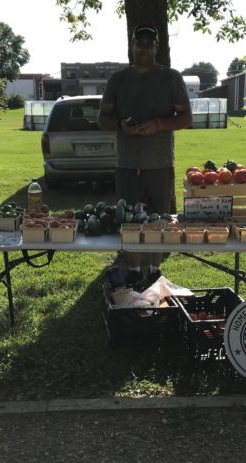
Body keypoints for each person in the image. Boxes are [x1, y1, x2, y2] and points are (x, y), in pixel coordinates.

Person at [98, 25, 192, 287]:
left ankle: (154, 271)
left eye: (149, 44)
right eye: (139, 43)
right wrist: (120, 126)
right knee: (129, 222)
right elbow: (102, 119)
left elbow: (186, 117)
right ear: (132, 46)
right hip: (127, 163)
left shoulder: (171, 78)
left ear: (157, 47)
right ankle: (134, 269)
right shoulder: (117, 80)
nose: (144, 48)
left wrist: (160, 124)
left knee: (159, 219)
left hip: (160, 163)